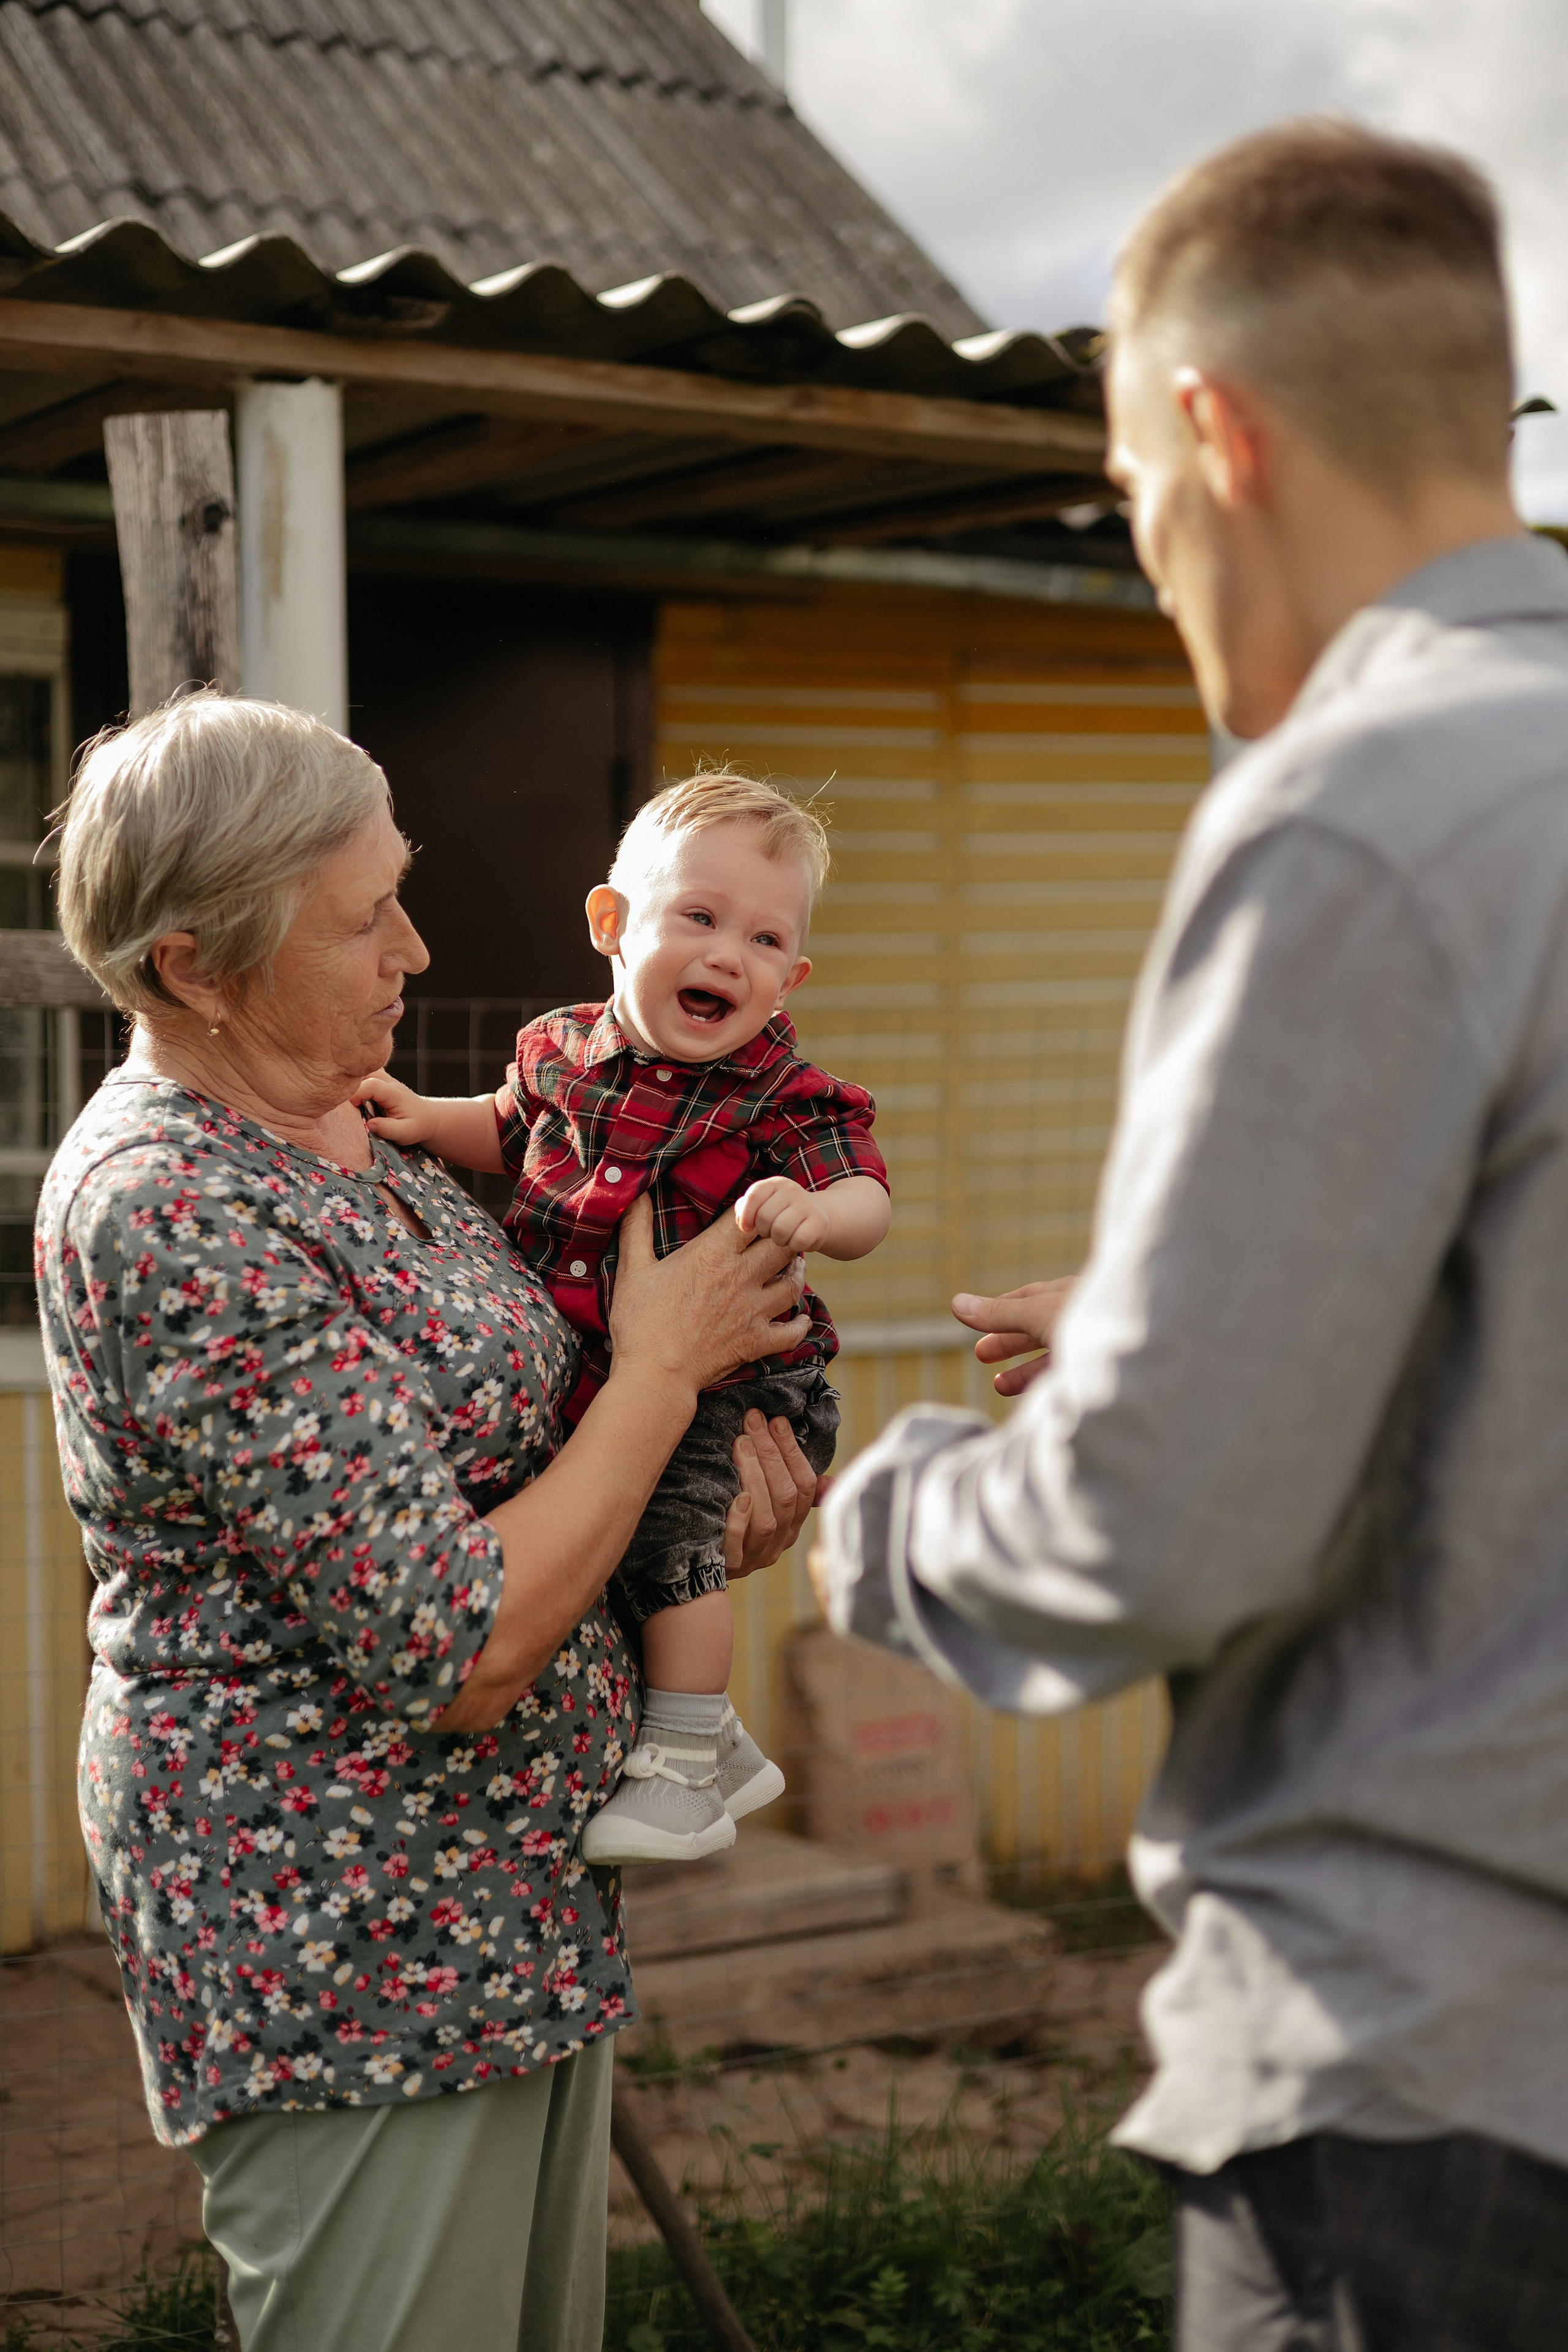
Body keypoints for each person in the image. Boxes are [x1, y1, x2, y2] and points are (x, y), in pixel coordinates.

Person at [814, 121, 1568, 2351]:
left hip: (1426, 2091)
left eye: (1132, 499)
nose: (1147, 567)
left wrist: (892, 1514)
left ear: (1215, 435)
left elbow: (1161, 1530)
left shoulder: (1359, 808)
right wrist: (1199, 1325)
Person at [37, 693, 818, 2352]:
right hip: (355, 1950)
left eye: (402, 885)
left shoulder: (348, 1133)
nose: (415, 943)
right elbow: (455, 1642)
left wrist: (688, 1511)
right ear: (195, 964)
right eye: (362, 913)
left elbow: (543, 1459)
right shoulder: (174, 1202)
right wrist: (661, 1383)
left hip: (510, 1911)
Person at [356, 768, 892, 1866]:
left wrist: (816, 1212)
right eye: (699, 917)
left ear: (788, 979)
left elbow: (870, 1199)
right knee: (604, 1532)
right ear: (612, 922)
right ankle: (725, 1750)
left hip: (739, 1382)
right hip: (614, 1364)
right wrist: (425, 1118)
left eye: (762, 939)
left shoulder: (783, 1094)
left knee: (665, 1541)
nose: (725, 955)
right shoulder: (560, 1051)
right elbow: (508, 1131)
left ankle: (687, 1764)